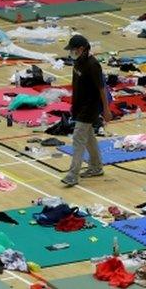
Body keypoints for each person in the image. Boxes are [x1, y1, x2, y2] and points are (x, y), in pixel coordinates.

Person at [61, 35, 111, 187]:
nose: (71, 52)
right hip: (79, 106)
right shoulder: (78, 61)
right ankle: (96, 167)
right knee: (88, 137)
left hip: (89, 108)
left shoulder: (93, 65)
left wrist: (106, 110)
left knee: (78, 138)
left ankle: (73, 174)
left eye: (73, 49)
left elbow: (102, 88)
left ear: (81, 49)